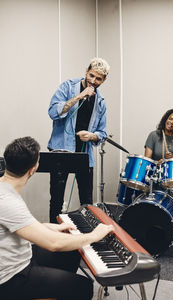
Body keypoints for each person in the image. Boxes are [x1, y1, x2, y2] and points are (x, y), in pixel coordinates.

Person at [0, 136, 114, 300]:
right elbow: (54, 244)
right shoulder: (8, 201)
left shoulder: (4, 188)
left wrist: (46, 227)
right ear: (33, 168)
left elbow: (14, 226)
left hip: (19, 256)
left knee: (74, 250)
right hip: (11, 278)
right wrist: (94, 235)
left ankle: (54, 289)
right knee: (83, 286)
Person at [48, 57, 110, 223]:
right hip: (61, 150)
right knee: (56, 199)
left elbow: (102, 133)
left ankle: (86, 239)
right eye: (91, 76)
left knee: (87, 201)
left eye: (98, 79)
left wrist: (92, 136)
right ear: (86, 71)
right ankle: (55, 237)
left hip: (84, 154)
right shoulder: (68, 86)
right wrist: (78, 97)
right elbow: (53, 112)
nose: (93, 81)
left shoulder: (101, 102)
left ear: (104, 80)